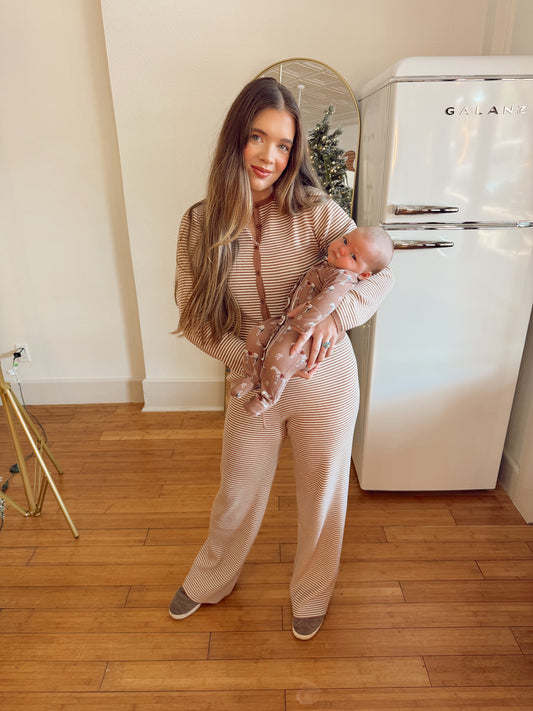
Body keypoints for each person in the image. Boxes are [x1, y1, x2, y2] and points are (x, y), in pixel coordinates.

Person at [171, 76, 394, 640]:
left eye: (283, 145)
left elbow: (380, 274)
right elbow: (193, 313)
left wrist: (336, 320)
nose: (269, 156)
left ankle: (311, 592)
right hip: (254, 380)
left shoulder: (316, 211)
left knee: (323, 490)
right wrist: (243, 359)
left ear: (294, 153)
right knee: (238, 488)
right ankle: (212, 577)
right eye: (257, 137)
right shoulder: (200, 223)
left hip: (325, 377)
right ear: (235, 138)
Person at [230, 226, 393, 416]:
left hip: (305, 334)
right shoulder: (329, 265)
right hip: (286, 322)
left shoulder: (343, 277)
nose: (342, 249)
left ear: (363, 275)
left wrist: (309, 323)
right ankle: (251, 376)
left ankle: (267, 397)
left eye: (353, 256)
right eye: (345, 241)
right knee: (257, 333)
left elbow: (328, 300)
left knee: (279, 357)